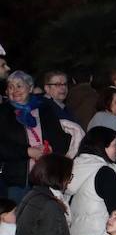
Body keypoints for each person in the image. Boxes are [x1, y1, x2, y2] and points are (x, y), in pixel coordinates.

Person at [0, 71, 69, 201]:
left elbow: (61, 138)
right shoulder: (3, 113)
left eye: (19, 86)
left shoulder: (44, 109)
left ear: (30, 88)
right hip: (17, 181)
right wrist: (27, 151)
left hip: (45, 177)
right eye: (10, 87)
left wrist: (50, 148)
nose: (15, 90)